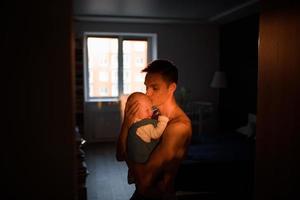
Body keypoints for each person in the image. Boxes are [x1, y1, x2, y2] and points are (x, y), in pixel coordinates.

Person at [116, 59, 192, 200]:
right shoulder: (152, 115)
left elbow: (144, 183)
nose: (147, 93)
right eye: (146, 87)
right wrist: (127, 122)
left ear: (172, 88)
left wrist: (130, 153)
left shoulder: (178, 127)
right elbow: (119, 155)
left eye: (155, 88)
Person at [125, 92, 169, 185]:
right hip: (145, 161)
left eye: (151, 109)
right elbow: (156, 134)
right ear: (135, 111)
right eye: (146, 110)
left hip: (135, 161)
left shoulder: (135, 124)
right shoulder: (144, 126)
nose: (150, 112)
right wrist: (164, 119)